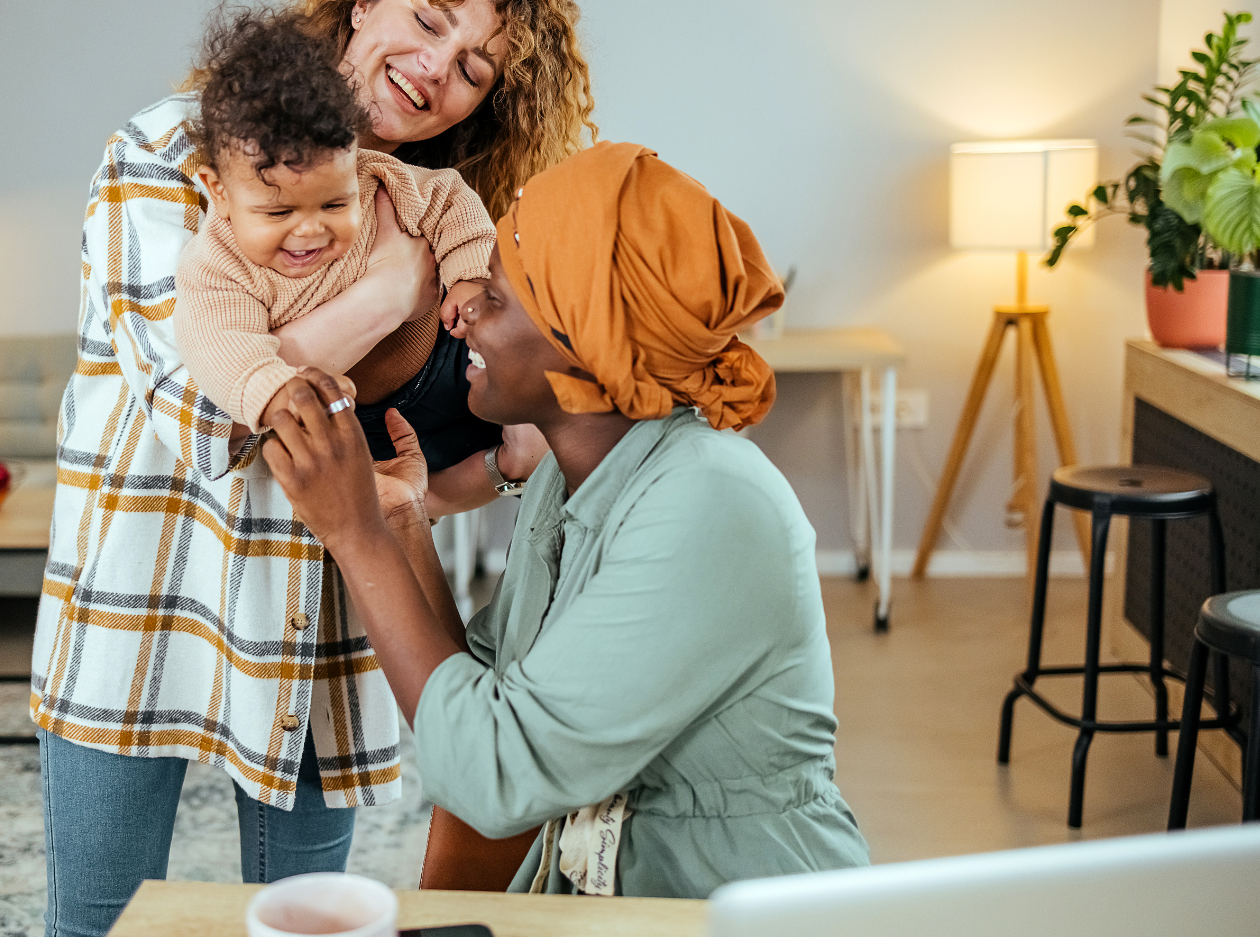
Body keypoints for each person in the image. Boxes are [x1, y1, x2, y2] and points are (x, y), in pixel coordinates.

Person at [23, 0, 593, 937]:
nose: (436, 69)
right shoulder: (170, 147)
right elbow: (195, 412)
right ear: (363, 0)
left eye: (474, 67)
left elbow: (409, 467)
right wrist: (383, 292)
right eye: (428, 20)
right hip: (141, 603)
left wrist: (475, 472)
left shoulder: (433, 207)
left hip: (317, 625)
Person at [262, 142, 872, 898]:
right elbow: (486, 693)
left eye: (494, 294)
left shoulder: (712, 500)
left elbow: (494, 774)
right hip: (620, 923)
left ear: (587, 341)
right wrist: (400, 520)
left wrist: (355, 534)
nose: (460, 310)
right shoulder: (565, 479)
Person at [176, 4, 502, 470]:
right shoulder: (217, 268)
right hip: (375, 422)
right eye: (279, 211)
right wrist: (278, 394)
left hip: (451, 359)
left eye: (334, 205)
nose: (310, 231)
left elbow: (449, 198)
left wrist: (469, 276)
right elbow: (224, 351)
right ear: (220, 192)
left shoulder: (375, 176)